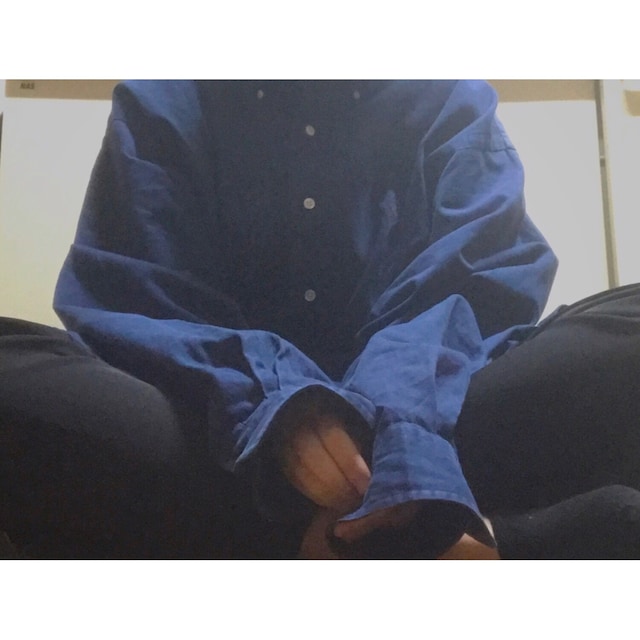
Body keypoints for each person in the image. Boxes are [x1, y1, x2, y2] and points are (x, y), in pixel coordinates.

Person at [2, 80, 640, 559]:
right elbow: (137, 301)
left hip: (436, 417)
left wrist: (397, 433)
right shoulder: (162, 96)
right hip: (221, 435)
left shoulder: (447, 91)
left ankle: (311, 534)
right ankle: (439, 537)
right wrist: (277, 410)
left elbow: (475, 282)